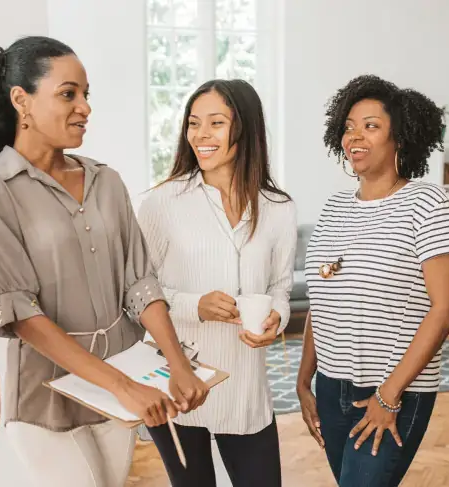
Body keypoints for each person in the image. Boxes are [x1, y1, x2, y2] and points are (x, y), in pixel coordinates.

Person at [0, 36, 208, 487]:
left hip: (122, 383)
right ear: (21, 101)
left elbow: (140, 282)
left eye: (86, 94)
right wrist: (122, 386)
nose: (84, 107)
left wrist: (177, 363)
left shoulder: (105, 181)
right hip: (47, 399)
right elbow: (22, 314)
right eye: (68, 94)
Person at [296, 75, 449, 487]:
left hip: (394, 390)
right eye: (349, 126)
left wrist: (389, 396)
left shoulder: (428, 203)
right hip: (331, 387)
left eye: (370, 126)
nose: (355, 136)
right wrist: (304, 380)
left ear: (400, 137)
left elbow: (447, 309)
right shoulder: (335, 208)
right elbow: (322, 299)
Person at [137, 79, 295, 487]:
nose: (200, 135)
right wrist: (195, 305)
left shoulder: (279, 208)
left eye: (216, 123)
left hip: (245, 386)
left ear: (245, 128)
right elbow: (136, 291)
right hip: (177, 379)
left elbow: (280, 286)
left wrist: (278, 316)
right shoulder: (162, 203)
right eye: (193, 123)